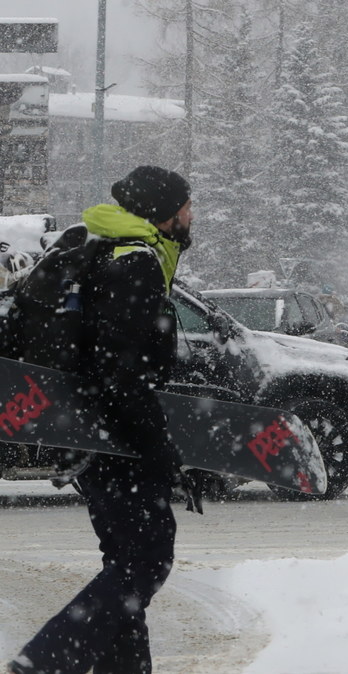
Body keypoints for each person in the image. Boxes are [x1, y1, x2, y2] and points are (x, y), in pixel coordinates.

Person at [7, 165, 202, 674]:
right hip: (119, 437)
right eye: (185, 206)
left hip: (80, 432)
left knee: (124, 563)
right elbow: (122, 374)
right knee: (147, 560)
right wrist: (160, 452)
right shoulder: (133, 261)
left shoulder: (85, 243)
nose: (190, 215)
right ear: (162, 214)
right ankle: (46, 658)